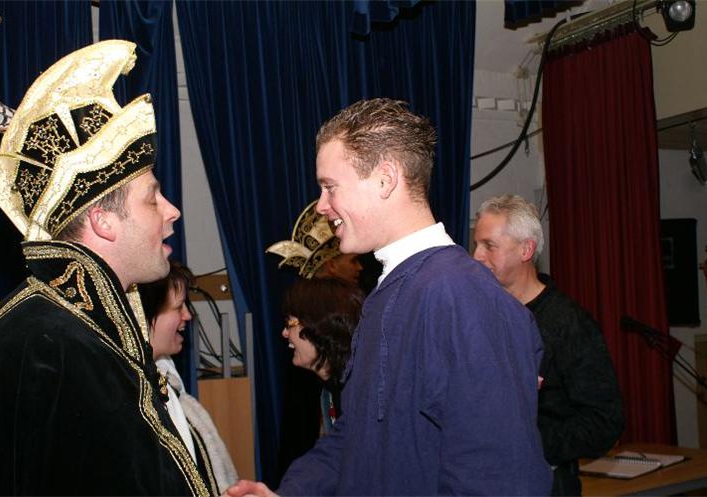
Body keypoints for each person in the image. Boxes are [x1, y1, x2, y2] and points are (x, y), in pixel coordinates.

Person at [228, 98, 552, 497]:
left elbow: (501, 479)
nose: (322, 206)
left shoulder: (461, 296)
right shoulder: (392, 292)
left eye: (330, 187)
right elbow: (362, 437)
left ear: (385, 179)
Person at [0, 41, 211, 495]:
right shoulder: (46, 341)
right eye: (152, 197)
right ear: (103, 221)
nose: (172, 210)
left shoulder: (82, 328)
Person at [473, 194, 623, 496]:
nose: (476, 256)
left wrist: (525, 444)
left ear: (526, 250)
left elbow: (604, 421)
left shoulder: (567, 322)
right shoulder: (476, 314)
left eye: (489, 245)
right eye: (476, 244)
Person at [139, 260, 239, 495]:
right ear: (144, 315)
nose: (188, 315)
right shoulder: (138, 397)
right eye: (178, 307)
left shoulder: (169, 381)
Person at [281, 277, 364, 433]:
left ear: (318, 325)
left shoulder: (360, 395)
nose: (284, 333)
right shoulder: (331, 388)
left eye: (289, 324)